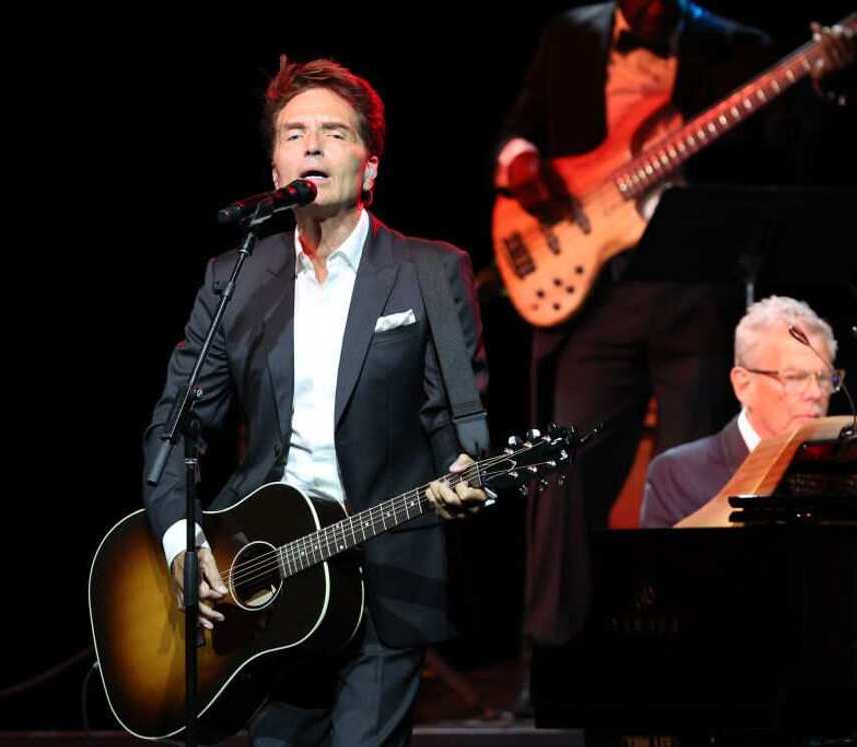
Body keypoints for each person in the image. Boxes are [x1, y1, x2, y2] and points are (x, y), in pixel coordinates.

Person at [142, 56, 488, 745]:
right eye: (294, 132)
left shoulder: (430, 270)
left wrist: (467, 469)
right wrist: (184, 543)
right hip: (266, 584)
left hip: (387, 573)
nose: (313, 145)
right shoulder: (237, 275)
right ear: (275, 169)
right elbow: (175, 429)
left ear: (370, 165)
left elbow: (459, 421)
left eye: (334, 132)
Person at [495, 0, 855, 651]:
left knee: (699, 477)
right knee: (564, 472)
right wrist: (520, 162)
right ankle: (549, 658)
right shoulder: (571, 32)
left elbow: (793, 154)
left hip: (698, 292)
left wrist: (825, 82)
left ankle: (690, 655)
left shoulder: (735, 43)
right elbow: (519, 128)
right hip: (598, 294)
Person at [640, 295, 841, 527]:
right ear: (743, 385)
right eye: (795, 377)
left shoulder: (840, 470)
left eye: (825, 378)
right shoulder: (677, 474)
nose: (816, 393)